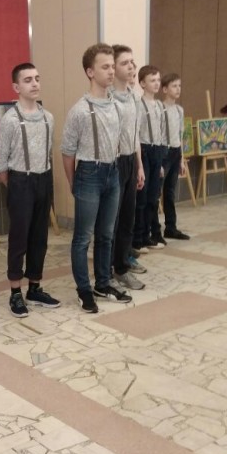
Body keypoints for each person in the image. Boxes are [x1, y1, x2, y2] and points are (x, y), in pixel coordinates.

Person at [62, 44, 132, 313]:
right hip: (88, 173)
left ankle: (103, 283)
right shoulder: (79, 110)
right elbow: (67, 152)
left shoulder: (116, 106)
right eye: (105, 67)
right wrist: (74, 182)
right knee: (83, 238)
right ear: (90, 72)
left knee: (106, 234)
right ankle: (84, 290)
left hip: (112, 171)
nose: (111, 71)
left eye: (113, 66)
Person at [0, 62, 61, 318]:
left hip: (44, 179)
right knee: (19, 238)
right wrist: (16, 185)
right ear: (16, 87)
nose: (34, 84)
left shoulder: (48, 117)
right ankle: (15, 292)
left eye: (37, 78)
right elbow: (0, 162)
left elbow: (48, 152)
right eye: (28, 80)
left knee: (39, 237)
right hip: (20, 181)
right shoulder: (10, 120)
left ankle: (35, 287)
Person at [109, 44, 146, 291]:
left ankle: (122, 267)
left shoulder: (134, 96)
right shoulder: (108, 98)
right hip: (113, 162)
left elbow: (135, 136)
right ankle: (106, 271)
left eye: (132, 62)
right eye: (125, 63)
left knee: (127, 218)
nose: (131, 66)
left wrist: (139, 166)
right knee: (110, 221)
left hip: (131, 160)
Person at [132, 65, 167, 252]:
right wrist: (139, 164)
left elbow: (161, 132)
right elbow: (136, 134)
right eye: (152, 80)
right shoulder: (139, 105)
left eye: (158, 80)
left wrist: (160, 162)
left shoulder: (160, 105)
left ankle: (149, 235)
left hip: (157, 151)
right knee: (142, 197)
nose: (156, 83)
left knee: (153, 197)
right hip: (144, 150)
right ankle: (138, 238)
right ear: (142, 83)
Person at [159, 74, 190, 240]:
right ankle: (152, 229)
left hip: (176, 151)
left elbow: (180, 135)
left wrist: (181, 159)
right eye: (174, 86)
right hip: (164, 152)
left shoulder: (179, 110)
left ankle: (171, 227)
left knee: (170, 192)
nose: (178, 89)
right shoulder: (160, 109)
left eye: (179, 86)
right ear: (165, 89)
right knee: (156, 193)